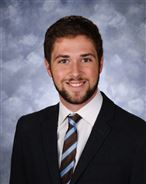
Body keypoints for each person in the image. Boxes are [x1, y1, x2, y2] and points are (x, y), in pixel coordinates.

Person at [10, 15, 146, 184]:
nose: (75, 72)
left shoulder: (139, 135)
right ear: (48, 67)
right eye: (64, 60)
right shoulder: (28, 129)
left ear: (101, 63)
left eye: (85, 59)